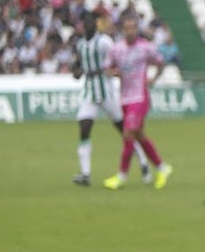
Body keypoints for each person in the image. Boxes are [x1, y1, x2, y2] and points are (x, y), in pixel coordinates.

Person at [71, 11, 150, 186]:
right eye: (87, 22)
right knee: (84, 127)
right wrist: (77, 71)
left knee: (125, 131)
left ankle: (143, 162)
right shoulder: (81, 44)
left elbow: (118, 58)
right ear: (84, 24)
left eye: (93, 21)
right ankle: (85, 174)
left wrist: (117, 73)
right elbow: (78, 65)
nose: (90, 25)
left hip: (107, 92)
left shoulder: (104, 42)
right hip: (90, 92)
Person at [101, 13, 174, 190]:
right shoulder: (116, 49)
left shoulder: (146, 47)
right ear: (122, 30)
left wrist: (154, 79)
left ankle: (121, 175)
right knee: (139, 136)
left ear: (137, 29)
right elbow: (107, 68)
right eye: (127, 29)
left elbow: (161, 62)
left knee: (128, 134)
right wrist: (113, 73)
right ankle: (162, 168)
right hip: (125, 97)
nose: (130, 32)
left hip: (140, 97)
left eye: (133, 28)